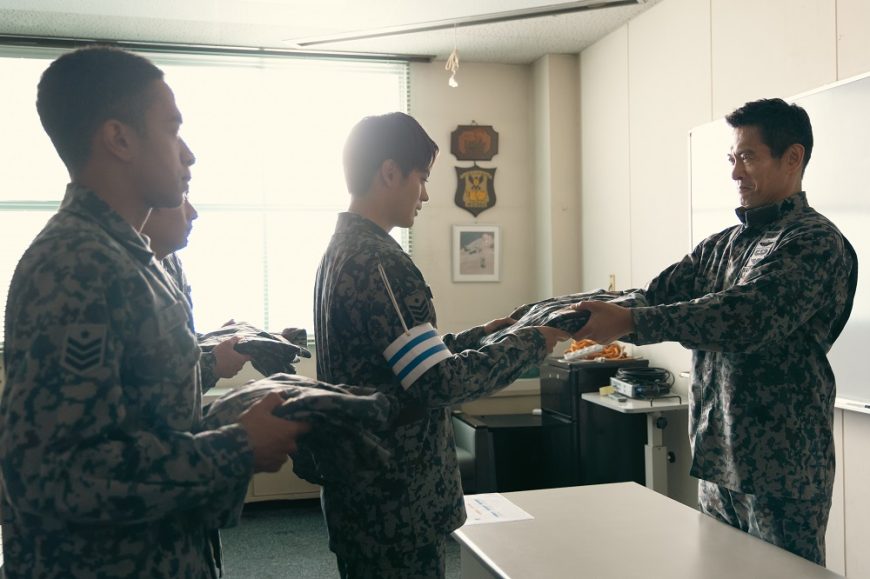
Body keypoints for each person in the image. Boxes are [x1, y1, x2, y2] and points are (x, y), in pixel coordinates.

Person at [0, 46, 309, 578]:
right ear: (119, 139)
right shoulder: (74, 264)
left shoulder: (134, 259)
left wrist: (230, 418)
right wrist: (237, 447)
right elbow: (53, 476)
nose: (188, 154)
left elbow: (141, 425)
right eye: (172, 129)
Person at [571, 98, 857, 565]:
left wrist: (633, 322)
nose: (735, 173)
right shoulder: (722, 244)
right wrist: (557, 316)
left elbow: (745, 318)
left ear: (793, 158)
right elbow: (654, 295)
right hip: (717, 460)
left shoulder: (814, 242)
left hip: (781, 471)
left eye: (748, 157)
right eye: (732, 159)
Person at [314, 112, 569, 579]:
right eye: (423, 178)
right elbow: (437, 383)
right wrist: (531, 342)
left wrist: (483, 334)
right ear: (390, 172)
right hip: (396, 503)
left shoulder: (341, 251)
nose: (425, 195)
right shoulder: (380, 261)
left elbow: (401, 361)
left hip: (365, 497)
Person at [143, 193, 250, 389]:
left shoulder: (170, 261)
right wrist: (213, 364)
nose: (193, 213)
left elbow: (176, 345)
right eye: (182, 198)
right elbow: (142, 375)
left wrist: (214, 342)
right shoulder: (113, 265)